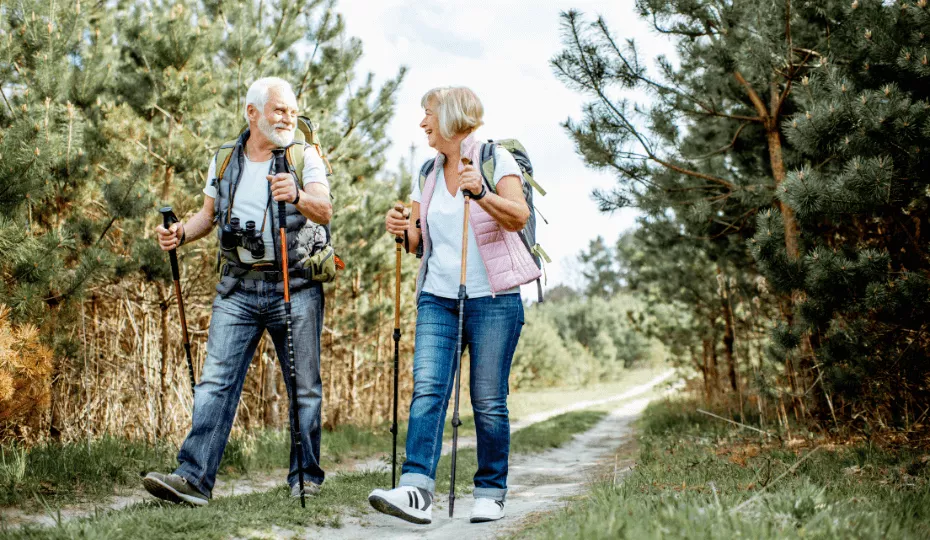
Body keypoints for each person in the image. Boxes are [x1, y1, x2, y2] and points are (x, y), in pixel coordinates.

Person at [142, 77, 333, 506]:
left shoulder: (304, 157)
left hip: (295, 285)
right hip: (237, 288)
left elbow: (324, 208)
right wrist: (179, 234)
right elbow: (207, 217)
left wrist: (298, 195)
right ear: (253, 113)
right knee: (214, 384)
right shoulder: (225, 159)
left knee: (303, 387)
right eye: (279, 110)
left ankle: (305, 477)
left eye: (292, 110)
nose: (289, 117)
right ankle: (192, 480)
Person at [368, 86, 540, 524]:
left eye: (427, 114)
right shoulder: (426, 171)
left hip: (495, 300)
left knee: (487, 399)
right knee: (428, 390)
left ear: (449, 117)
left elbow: (517, 216)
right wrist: (400, 228)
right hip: (437, 297)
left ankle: (490, 490)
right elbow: (417, 242)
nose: (423, 123)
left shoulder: (493, 158)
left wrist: (480, 193)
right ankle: (415, 490)